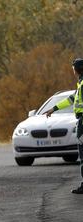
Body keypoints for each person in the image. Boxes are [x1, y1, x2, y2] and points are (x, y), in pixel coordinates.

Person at [45, 58, 83, 194]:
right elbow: (71, 99)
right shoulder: (80, 83)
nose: (72, 70)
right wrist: (53, 109)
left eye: (73, 68)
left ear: (77, 69)